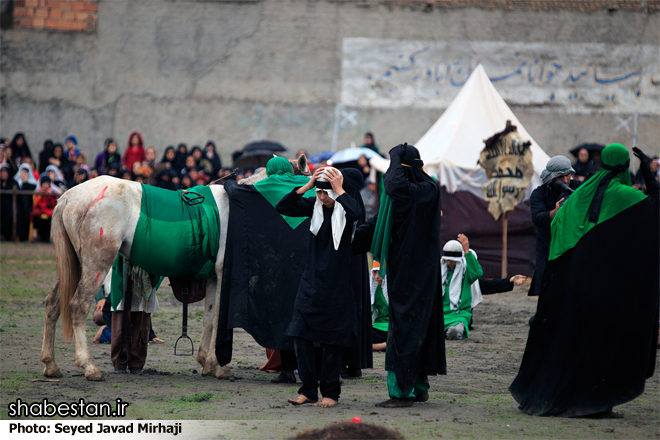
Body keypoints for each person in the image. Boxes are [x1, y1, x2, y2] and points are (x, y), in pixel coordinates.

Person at [510, 144, 658, 417]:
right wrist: (648, 172)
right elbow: (656, 206)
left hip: (575, 284)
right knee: (603, 344)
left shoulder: (579, 196)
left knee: (576, 341)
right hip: (609, 288)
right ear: (624, 167)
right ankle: (596, 403)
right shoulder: (625, 196)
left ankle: (569, 396)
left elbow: (559, 230)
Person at [355, 142, 444, 408]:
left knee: (405, 330)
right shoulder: (406, 198)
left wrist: (393, 158)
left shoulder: (425, 190)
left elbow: (394, 186)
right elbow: (381, 222)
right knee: (412, 329)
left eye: (396, 165)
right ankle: (418, 387)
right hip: (407, 271)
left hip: (416, 274)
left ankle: (402, 392)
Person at [276, 166, 363, 408]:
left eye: (326, 193)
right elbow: (283, 207)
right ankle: (308, 390)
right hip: (311, 282)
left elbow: (357, 213)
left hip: (337, 286)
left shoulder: (347, 207)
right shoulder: (313, 206)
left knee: (332, 341)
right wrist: (307, 185)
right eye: (319, 193)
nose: (322, 198)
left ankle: (330, 394)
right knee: (300, 336)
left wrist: (339, 190)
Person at [528, 156, 580, 298]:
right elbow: (537, 218)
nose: (565, 180)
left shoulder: (579, 188)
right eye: (561, 177)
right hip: (548, 248)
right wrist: (554, 213)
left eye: (568, 175)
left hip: (572, 247)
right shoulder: (539, 193)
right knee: (547, 293)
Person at [109, 256, 162, 374]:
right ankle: (119, 361)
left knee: (141, 325)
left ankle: (136, 362)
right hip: (123, 269)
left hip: (145, 270)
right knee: (120, 323)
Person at [440, 236, 483, 340]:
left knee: (454, 331)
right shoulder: (440, 271)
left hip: (459, 314)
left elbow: (477, 273)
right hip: (440, 313)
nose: (449, 263)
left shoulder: (466, 272)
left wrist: (466, 250)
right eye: (448, 260)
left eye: (452, 260)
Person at [30, 174, 58, 242]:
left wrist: (49, 195)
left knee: (53, 215)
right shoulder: (38, 191)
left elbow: (53, 203)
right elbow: (35, 204)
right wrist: (40, 195)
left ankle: (52, 236)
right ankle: (35, 234)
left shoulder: (52, 192)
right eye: (44, 183)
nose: (45, 185)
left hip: (48, 209)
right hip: (40, 209)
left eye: (47, 183)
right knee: (35, 214)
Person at [14, 163, 38, 241]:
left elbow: (32, 190)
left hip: (28, 206)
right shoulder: (15, 181)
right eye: (23, 170)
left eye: (26, 171)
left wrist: (25, 181)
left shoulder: (33, 183)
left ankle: (26, 237)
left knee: (28, 214)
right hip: (17, 205)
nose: (24, 173)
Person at [370, 262, 388, 352]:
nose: (377, 276)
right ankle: (387, 345)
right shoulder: (375, 290)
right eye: (375, 272)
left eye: (380, 272)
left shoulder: (393, 288)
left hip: (392, 327)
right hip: (378, 326)